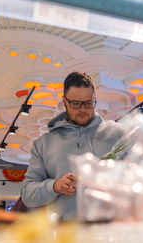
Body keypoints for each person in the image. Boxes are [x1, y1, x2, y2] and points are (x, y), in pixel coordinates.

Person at [21, 71, 126, 220]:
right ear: (64, 102)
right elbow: (28, 194)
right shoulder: (44, 144)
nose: (83, 109)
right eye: (76, 104)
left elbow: (140, 179)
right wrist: (55, 186)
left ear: (95, 100)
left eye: (89, 103)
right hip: (67, 236)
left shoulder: (117, 134)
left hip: (114, 232)